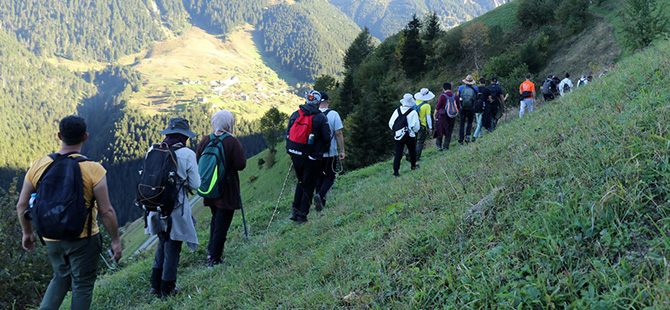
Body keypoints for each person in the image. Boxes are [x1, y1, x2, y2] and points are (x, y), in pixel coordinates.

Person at [16, 115, 122, 310]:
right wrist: (115, 241)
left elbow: (22, 205)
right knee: (82, 284)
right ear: (85, 137)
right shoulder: (93, 169)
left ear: (59, 136)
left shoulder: (38, 165)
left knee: (60, 276)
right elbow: (106, 212)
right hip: (84, 238)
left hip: (50, 237)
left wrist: (27, 232)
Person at [145, 117, 201, 297]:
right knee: (173, 247)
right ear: (184, 136)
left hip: (154, 205)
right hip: (176, 207)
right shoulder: (187, 154)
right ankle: (167, 290)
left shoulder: (153, 150)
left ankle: (155, 286)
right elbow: (195, 185)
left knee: (162, 242)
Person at [196, 110, 247, 269]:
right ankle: (214, 259)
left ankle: (211, 252)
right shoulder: (231, 141)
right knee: (221, 225)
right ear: (229, 123)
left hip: (210, 189)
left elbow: (198, 160)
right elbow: (241, 165)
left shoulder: (206, 140)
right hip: (227, 190)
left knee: (216, 220)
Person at [286, 90, 330, 224]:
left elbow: (288, 133)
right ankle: (302, 216)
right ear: (318, 102)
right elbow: (327, 137)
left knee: (301, 182)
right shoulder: (320, 117)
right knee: (309, 185)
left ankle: (295, 211)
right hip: (312, 157)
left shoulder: (296, 114)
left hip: (296, 155)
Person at [314, 92, 345, 211]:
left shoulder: (312, 115)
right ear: (328, 101)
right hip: (330, 152)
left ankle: (320, 203)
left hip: (315, 153)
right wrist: (341, 150)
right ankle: (320, 196)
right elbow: (338, 133)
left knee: (319, 177)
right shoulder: (333, 114)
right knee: (330, 176)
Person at [389, 93, 421, 176]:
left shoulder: (397, 110)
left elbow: (391, 123)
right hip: (409, 135)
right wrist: (412, 131)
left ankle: (395, 172)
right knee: (412, 151)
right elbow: (416, 127)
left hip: (398, 135)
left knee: (398, 153)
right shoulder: (413, 112)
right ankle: (413, 166)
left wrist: (397, 131)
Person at [433, 83, 458, 150]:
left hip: (443, 117)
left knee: (440, 130)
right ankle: (446, 147)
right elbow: (458, 106)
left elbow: (438, 106)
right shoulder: (455, 96)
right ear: (451, 88)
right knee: (449, 133)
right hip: (452, 117)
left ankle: (439, 146)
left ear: (443, 89)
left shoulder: (442, 96)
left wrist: (434, 114)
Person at [412, 88, 434, 161]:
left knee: (412, 141)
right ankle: (417, 158)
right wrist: (430, 128)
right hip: (422, 125)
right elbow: (428, 118)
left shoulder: (415, 102)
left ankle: (409, 155)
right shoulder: (427, 106)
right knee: (420, 142)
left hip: (413, 124)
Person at [457, 75, 479, 144]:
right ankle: (467, 136)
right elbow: (476, 97)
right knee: (469, 122)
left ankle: (461, 140)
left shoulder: (461, 88)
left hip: (462, 108)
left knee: (462, 123)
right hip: (471, 107)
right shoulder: (475, 88)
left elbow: (457, 96)